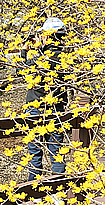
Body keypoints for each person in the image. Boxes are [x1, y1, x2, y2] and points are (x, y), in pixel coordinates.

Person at [22, 16, 70, 181]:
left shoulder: (42, 57)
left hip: (36, 107)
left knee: (34, 150)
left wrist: (25, 51)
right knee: (57, 151)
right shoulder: (66, 58)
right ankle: (58, 190)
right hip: (57, 108)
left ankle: (34, 190)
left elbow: (21, 70)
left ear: (47, 36)